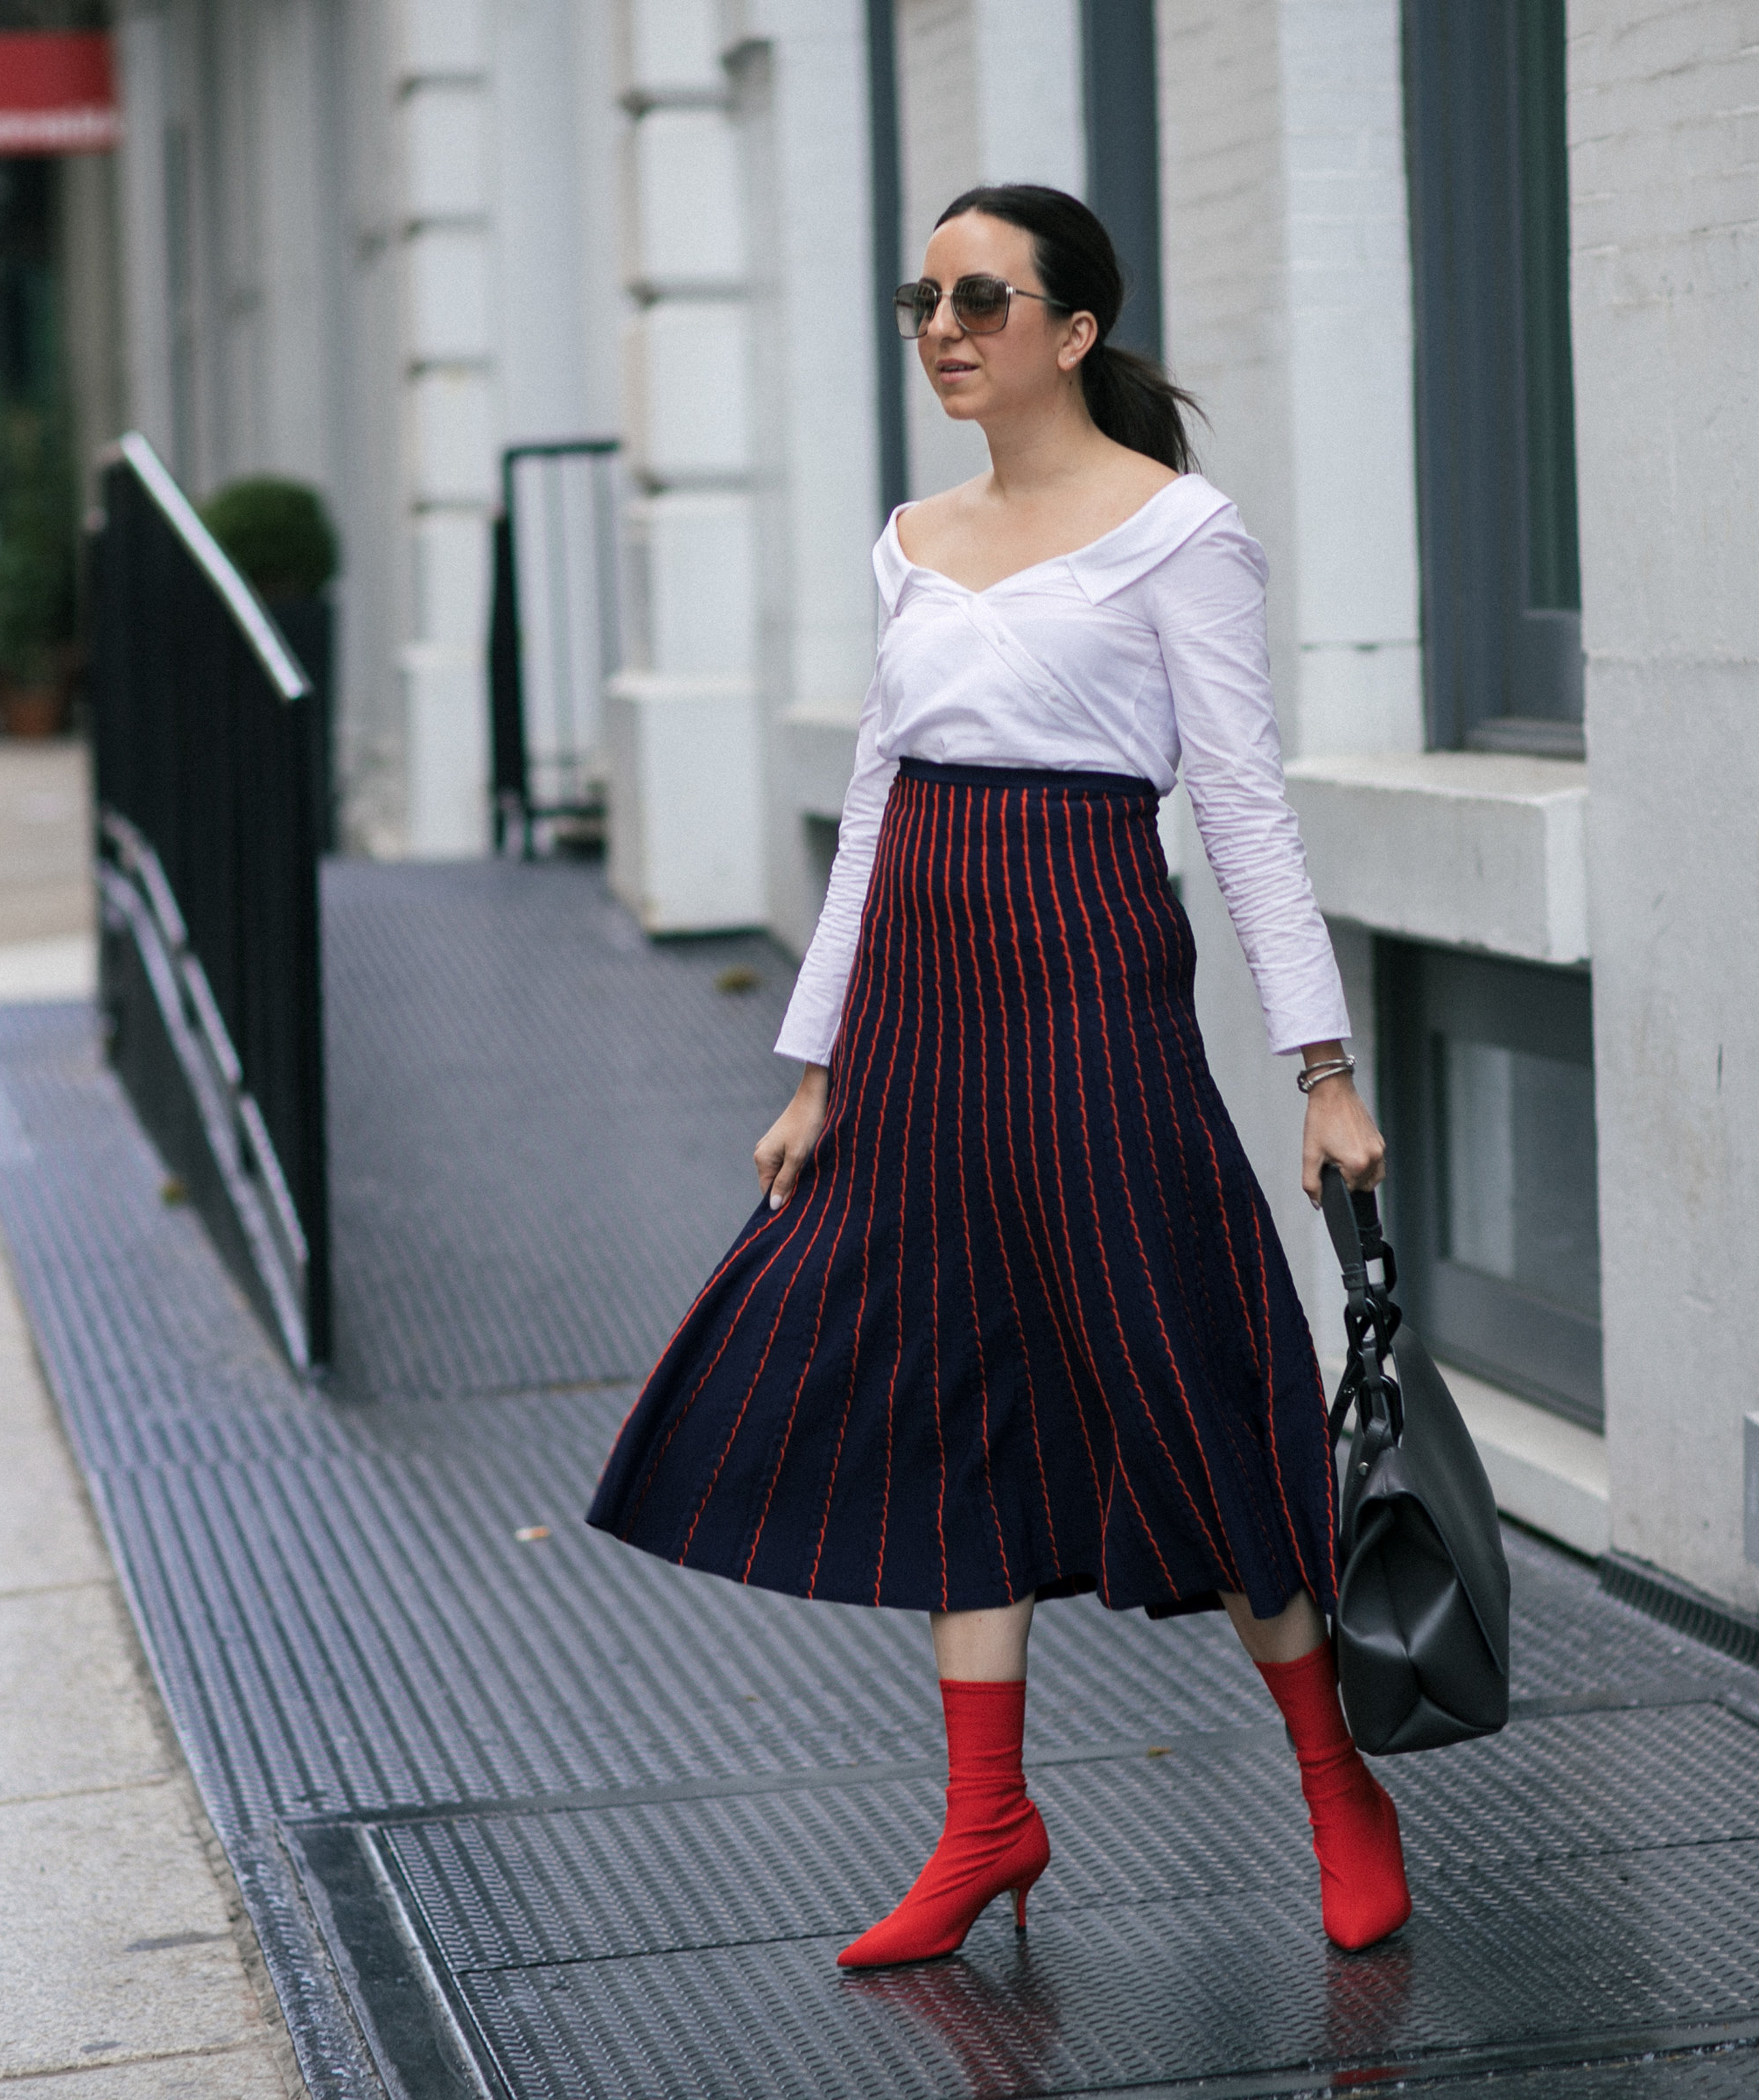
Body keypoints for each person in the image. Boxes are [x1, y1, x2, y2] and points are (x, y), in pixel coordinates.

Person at [588, 185, 1404, 1968]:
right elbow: (880, 812)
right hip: (918, 1018)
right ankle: (985, 1824)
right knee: (942, 1389)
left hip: (1095, 978)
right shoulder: (909, 538)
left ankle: (1337, 1782)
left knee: (1183, 1355)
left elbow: (1244, 811)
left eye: (981, 297)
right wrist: (814, 1059)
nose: (945, 329)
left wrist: (1319, 1067)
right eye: (923, 301)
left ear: (1075, 328)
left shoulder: (1178, 531)